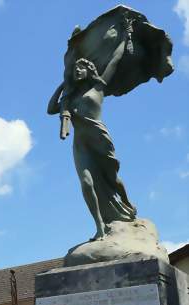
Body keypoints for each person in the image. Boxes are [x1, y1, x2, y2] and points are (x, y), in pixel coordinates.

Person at [48, 20, 137, 241]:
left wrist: (126, 37)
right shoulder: (71, 98)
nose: (77, 70)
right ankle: (100, 226)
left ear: (90, 70)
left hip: (99, 138)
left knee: (112, 178)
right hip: (81, 144)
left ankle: (126, 203)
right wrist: (62, 86)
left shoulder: (99, 86)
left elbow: (115, 59)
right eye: (75, 67)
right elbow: (50, 109)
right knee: (87, 184)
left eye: (81, 67)